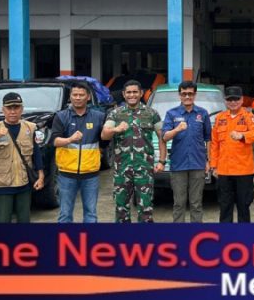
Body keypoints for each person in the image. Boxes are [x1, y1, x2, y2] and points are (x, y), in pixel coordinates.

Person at [0, 92, 44, 223]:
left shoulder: (31, 127)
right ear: (3, 110)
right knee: (2, 221)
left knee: (24, 222)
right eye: (9, 108)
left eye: (16, 107)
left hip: (24, 183)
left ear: (22, 109)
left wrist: (41, 176)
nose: (13, 111)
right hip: (2, 184)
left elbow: (37, 153)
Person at [102, 80, 163, 223]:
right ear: (123, 94)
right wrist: (116, 129)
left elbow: (162, 137)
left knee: (146, 208)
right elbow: (104, 134)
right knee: (121, 208)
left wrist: (161, 161)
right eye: (128, 92)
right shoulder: (115, 114)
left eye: (135, 92)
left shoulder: (152, 113)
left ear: (141, 93)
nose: (132, 95)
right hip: (121, 169)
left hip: (144, 169)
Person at [51, 82, 105, 223]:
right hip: (66, 174)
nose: (78, 98)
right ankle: (64, 243)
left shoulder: (98, 116)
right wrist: (70, 139)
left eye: (81, 95)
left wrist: (112, 131)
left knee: (91, 214)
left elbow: (104, 141)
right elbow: (55, 141)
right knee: (65, 214)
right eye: (75, 95)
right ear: (70, 96)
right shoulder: (61, 116)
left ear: (88, 97)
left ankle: (89, 243)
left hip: (91, 174)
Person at [161, 81, 212, 223]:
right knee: (179, 203)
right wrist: (177, 129)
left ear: (195, 94)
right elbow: (164, 137)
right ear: (180, 95)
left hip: (198, 164)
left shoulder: (202, 113)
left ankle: (196, 235)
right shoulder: (171, 114)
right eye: (184, 94)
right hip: (178, 165)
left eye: (190, 93)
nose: (187, 96)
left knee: (196, 204)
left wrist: (209, 161)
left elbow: (208, 139)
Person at [209, 86, 254, 223]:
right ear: (225, 101)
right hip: (224, 171)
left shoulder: (249, 116)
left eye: (236, 99)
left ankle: (243, 236)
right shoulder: (220, 118)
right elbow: (214, 144)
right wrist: (213, 166)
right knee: (225, 206)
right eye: (229, 99)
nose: (233, 102)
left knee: (243, 206)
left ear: (242, 100)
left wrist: (242, 135)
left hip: (243, 171)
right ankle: (226, 237)